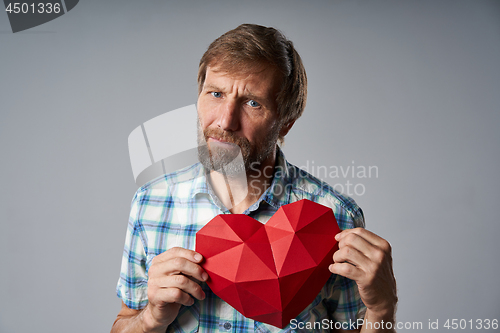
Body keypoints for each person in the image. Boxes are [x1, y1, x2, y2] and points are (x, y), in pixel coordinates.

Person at [111, 24, 397, 333]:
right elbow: (124, 322)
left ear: (285, 122)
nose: (225, 121)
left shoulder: (335, 217)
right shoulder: (151, 202)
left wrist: (382, 308)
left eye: (252, 103)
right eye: (216, 94)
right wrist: (152, 317)